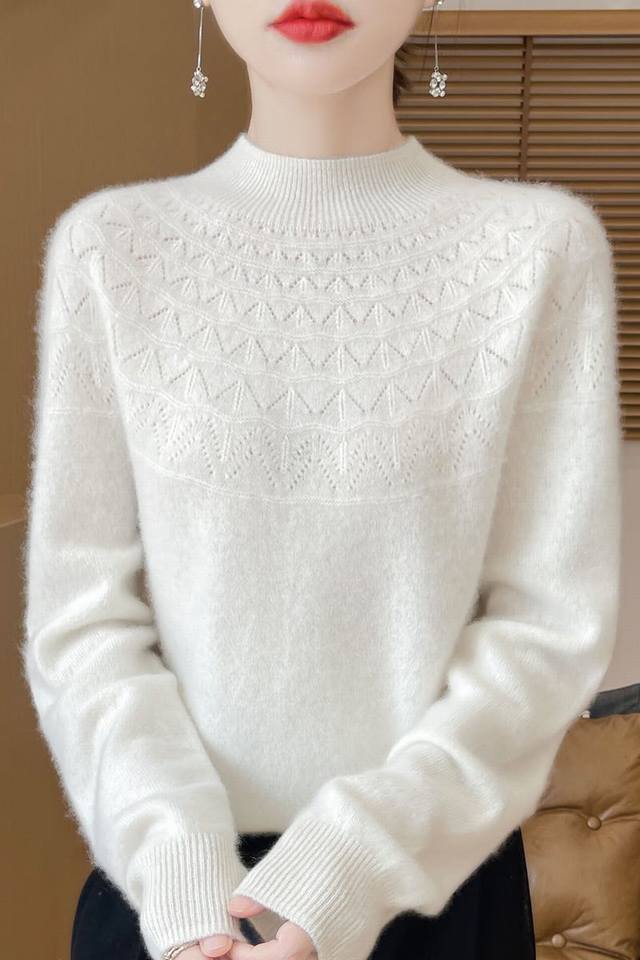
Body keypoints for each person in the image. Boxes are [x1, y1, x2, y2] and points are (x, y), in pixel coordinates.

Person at [22, 1, 622, 959]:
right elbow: (82, 618)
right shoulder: (111, 247)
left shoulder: (539, 248)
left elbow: (551, 622)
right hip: (171, 910)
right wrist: (186, 885)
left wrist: (342, 870)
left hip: (430, 897)